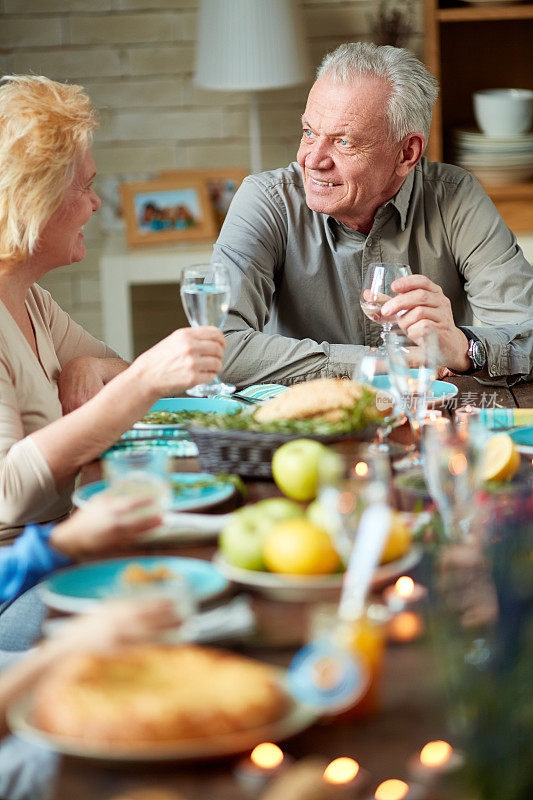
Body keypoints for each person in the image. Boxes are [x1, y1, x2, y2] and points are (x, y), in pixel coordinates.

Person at [214, 42, 533, 389]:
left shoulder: (455, 197)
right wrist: (379, 363)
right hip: (304, 427)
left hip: (430, 420)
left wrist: (466, 349)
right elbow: (220, 347)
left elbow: (526, 336)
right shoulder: (266, 200)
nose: (313, 159)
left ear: (406, 154)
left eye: (343, 142)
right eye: (309, 133)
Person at [0, 75, 226, 543]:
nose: (96, 203)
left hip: (70, 537)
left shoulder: (32, 301)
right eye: (84, 186)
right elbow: (10, 492)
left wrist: (91, 364)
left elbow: (119, 373)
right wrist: (147, 378)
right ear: (33, 202)